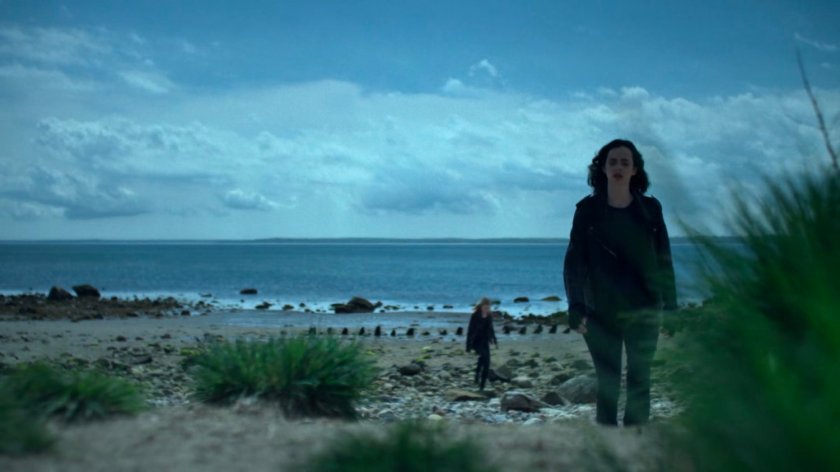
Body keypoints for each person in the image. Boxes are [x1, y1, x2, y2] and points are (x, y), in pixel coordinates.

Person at [563, 139, 677, 426]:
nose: (618, 167)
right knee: (608, 380)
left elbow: (664, 259)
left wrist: (672, 307)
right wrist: (575, 304)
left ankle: (635, 442)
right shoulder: (587, 210)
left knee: (640, 377)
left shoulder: (650, 209)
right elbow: (575, 261)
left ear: (635, 169)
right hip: (599, 310)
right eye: (612, 162)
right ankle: (608, 446)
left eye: (625, 162)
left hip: (644, 308)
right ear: (601, 168)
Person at [466, 297, 498, 390]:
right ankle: (477, 376)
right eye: (485, 307)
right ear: (481, 306)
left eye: (488, 307)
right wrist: (468, 346)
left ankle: (482, 386)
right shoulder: (475, 315)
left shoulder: (489, 316)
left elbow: (491, 329)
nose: (486, 309)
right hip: (476, 341)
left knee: (486, 362)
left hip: (485, 341)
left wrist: (495, 341)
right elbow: (470, 331)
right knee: (483, 357)